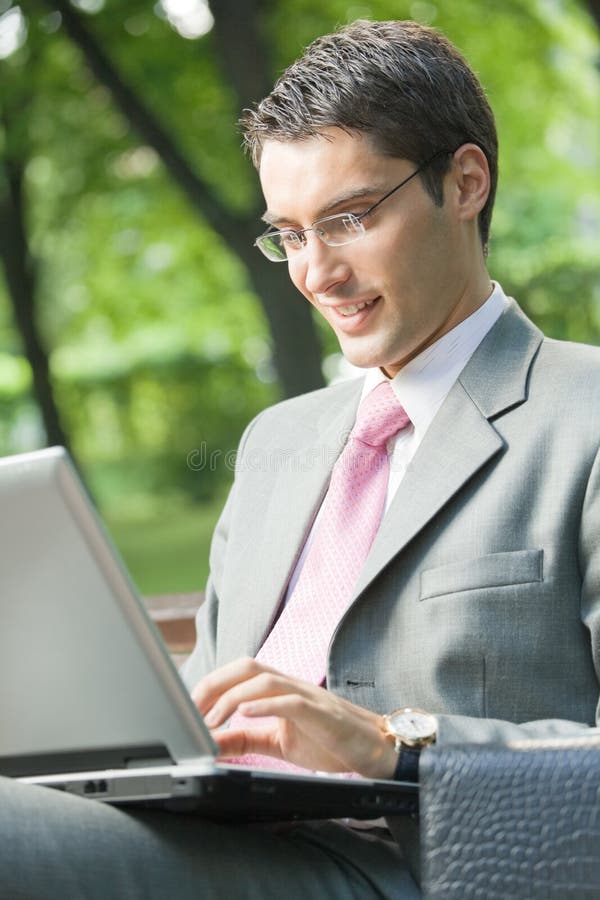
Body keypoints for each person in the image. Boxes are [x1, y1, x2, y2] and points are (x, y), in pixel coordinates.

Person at [1, 18, 599, 900]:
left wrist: (391, 744)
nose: (316, 272)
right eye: (289, 233)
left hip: (432, 868)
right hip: (226, 845)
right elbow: (208, 699)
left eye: (349, 219)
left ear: (464, 183)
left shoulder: (581, 414)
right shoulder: (276, 444)